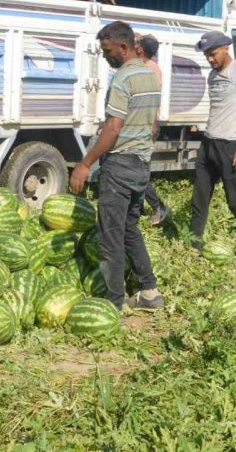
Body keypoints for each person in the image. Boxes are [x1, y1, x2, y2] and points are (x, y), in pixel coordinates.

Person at [69, 21, 163, 312]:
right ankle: (149, 293)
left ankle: (112, 305)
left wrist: (85, 164)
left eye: (107, 51)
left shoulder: (123, 78)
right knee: (129, 229)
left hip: (120, 165)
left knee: (110, 236)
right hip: (141, 165)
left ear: (123, 47)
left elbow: (113, 126)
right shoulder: (149, 76)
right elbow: (154, 125)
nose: (105, 56)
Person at [190, 31, 236, 271]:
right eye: (206, 56)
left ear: (225, 48)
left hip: (230, 146)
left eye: (212, 54)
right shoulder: (212, 75)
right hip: (209, 144)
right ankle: (193, 245)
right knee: (200, 197)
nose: (210, 59)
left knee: (235, 201)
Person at [134, 34, 170, 225]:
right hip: (137, 125)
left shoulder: (151, 69)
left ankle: (159, 207)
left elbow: (153, 98)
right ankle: (137, 209)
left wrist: (153, 123)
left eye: (136, 44)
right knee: (135, 168)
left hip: (144, 126)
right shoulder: (139, 66)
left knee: (138, 170)